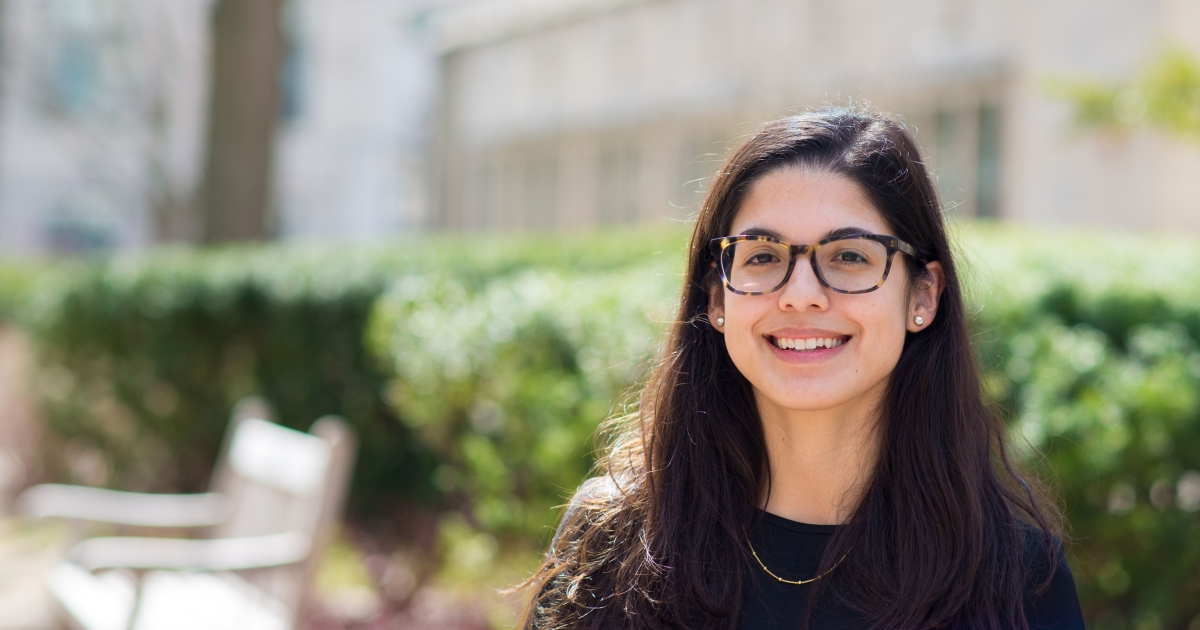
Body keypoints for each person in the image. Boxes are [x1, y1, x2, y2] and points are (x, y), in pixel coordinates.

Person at [522, 107, 1085, 629]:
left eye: (850, 256)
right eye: (763, 256)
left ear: (923, 294)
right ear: (717, 298)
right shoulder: (610, 546)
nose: (800, 295)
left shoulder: (1018, 582)